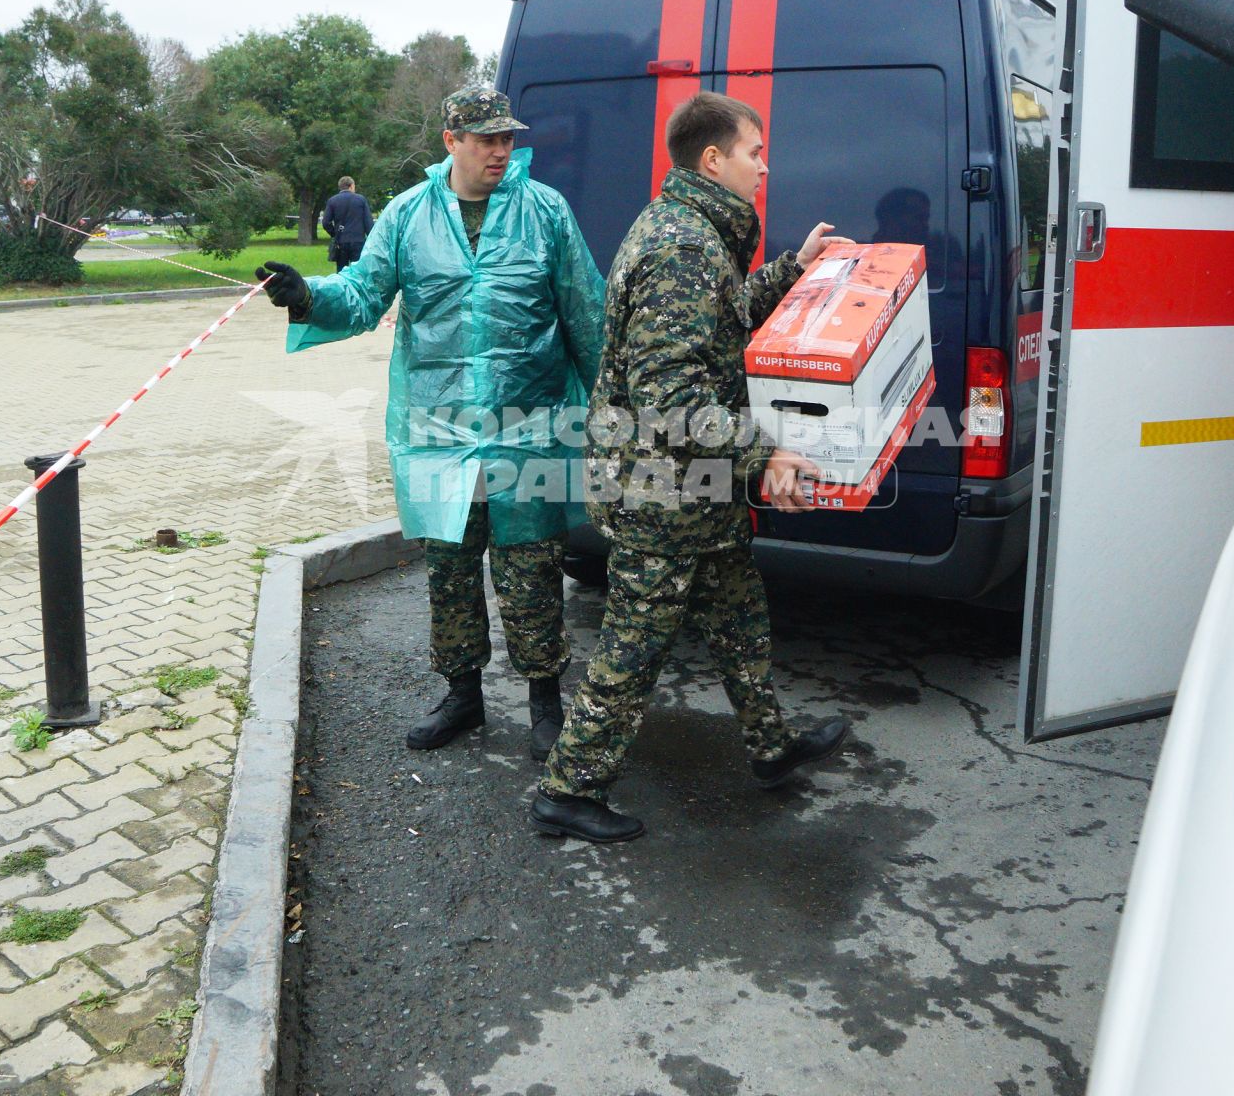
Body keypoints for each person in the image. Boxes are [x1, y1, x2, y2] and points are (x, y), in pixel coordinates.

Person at [531, 90, 856, 845]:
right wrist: (765, 451)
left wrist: (792, 267)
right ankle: (566, 791)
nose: (764, 168)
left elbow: (721, 316)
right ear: (713, 160)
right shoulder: (683, 245)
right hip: (659, 491)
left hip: (691, 489)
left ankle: (771, 748)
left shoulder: (695, 232)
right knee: (634, 646)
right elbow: (669, 398)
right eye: (754, 153)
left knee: (740, 616)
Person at [256, 87, 605, 759]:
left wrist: (613, 408)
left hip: (525, 427)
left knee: (532, 571)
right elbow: (361, 294)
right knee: (449, 569)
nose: (501, 149)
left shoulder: (545, 212)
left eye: (507, 137)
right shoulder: (409, 216)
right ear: (451, 140)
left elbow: (585, 313)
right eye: (486, 139)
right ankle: (463, 696)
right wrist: (307, 296)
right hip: (437, 429)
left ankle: (544, 703)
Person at [321, 176, 374, 273]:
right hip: (358, 241)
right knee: (359, 272)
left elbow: (325, 222)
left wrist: (334, 233)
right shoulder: (361, 200)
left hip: (341, 241)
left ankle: (342, 287)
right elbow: (368, 222)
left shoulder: (332, 201)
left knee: (341, 272)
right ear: (351, 186)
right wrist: (371, 239)